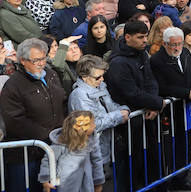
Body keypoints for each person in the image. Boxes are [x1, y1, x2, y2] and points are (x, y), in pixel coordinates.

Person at [0, 38, 67, 192]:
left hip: (53, 147)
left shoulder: (50, 74)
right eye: (36, 60)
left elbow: (63, 100)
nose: (41, 63)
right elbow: (15, 120)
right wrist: (48, 135)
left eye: (43, 58)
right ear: (23, 60)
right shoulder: (14, 85)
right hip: (26, 155)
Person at [106, 21, 165, 191]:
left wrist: (154, 103)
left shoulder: (141, 54)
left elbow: (150, 80)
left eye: (146, 36)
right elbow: (129, 92)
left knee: (152, 161)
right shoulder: (118, 62)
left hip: (146, 116)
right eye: (140, 37)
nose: (145, 40)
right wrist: (157, 102)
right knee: (133, 165)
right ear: (127, 37)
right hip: (130, 124)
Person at [150, 27, 191, 190]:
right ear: (165, 44)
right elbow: (161, 86)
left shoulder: (185, 53)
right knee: (171, 148)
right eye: (172, 45)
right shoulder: (157, 60)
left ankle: (182, 177)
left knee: (185, 145)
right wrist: (186, 93)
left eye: (179, 44)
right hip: (171, 112)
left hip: (188, 110)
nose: (176, 48)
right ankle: (171, 180)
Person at [68, 56, 129, 190]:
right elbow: (91, 124)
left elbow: (110, 106)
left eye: (102, 76)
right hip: (91, 152)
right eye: (97, 77)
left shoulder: (100, 86)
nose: (101, 80)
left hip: (107, 147)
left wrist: (123, 108)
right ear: (84, 77)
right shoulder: (79, 95)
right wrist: (119, 115)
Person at [38, 110, 105, 192]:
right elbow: (48, 161)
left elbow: (97, 161)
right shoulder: (60, 143)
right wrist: (45, 180)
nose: (94, 126)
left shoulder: (91, 141)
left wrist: (98, 182)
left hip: (86, 185)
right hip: (65, 185)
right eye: (92, 124)